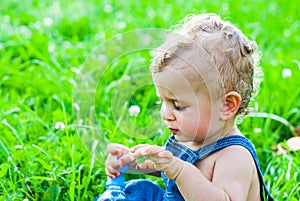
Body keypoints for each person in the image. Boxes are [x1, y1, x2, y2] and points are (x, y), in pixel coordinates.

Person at [97, 13, 274, 201]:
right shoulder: (191, 137)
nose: (166, 114)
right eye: (162, 102)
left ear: (227, 106)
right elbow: (167, 170)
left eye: (178, 106)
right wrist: (130, 163)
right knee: (139, 190)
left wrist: (180, 170)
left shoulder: (234, 156)